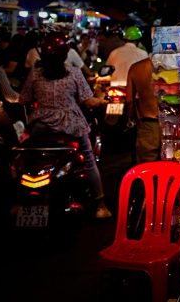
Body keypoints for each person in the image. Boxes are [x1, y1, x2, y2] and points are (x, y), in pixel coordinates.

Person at [20, 31, 112, 219]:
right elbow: (88, 101)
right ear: (65, 55)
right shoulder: (74, 73)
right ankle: (100, 204)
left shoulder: (35, 73)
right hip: (70, 125)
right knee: (88, 159)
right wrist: (101, 100)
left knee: (29, 158)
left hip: (40, 125)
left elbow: (24, 99)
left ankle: (17, 201)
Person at [126, 57, 161, 164]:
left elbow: (130, 101)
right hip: (174, 124)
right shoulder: (174, 66)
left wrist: (136, 120)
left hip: (148, 124)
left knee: (147, 168)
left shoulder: (136, 68)